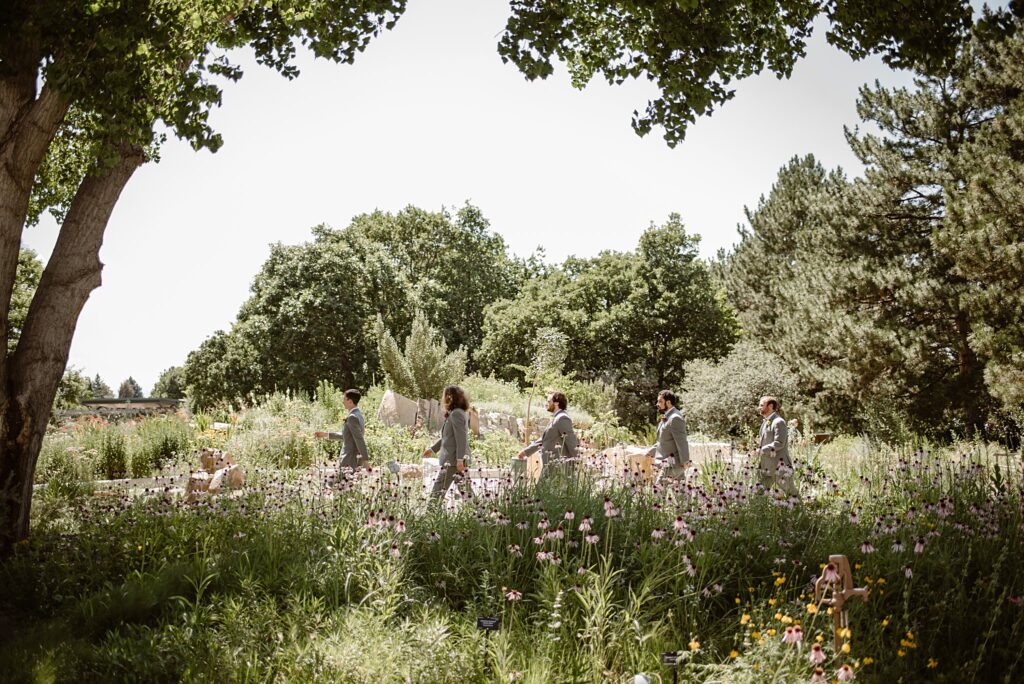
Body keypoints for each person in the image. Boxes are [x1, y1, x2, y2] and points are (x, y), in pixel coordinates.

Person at [422, 385, 474, 500]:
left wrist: (460, 459)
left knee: (438, 490)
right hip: (455, 460)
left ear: (450, 397)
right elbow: (448, 437)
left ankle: (429, 515)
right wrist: (432, 449)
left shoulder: (456, 414)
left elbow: (461, 438)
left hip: (453, 461)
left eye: (445, 396)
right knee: (466, 491)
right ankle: (480, 513)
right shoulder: (455, 413)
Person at [516, 391, 578, 479]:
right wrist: (526, 452)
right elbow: (543, 440)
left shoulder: (562, 418)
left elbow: (571, 442)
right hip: (550, 466)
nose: (546, 404)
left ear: (556, 403)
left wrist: (578, 462)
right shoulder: (556, 418)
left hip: (558, 468)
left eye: (549, 401)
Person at [314, 388, 370, 471]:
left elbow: (359, 439)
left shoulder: (352, 417)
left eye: (344, 399)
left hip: (349, 459)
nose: (343, 402)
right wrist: (326, 434)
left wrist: (366, 461)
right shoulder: (358, 414)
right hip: (353, 458)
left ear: (350, 401)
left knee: (338, 482)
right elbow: (348, 436)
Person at [755, 395, 798, 496]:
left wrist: (762, 450)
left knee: (792, 494)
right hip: (766, 467)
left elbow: (779, 443)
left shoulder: (779, 422)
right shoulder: (765, 422)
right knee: (759, 495)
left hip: (780, 467)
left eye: (761, 405)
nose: (759, 408)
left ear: (770, 406)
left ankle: (803, 511)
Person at [647, 389, 689, 481]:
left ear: (668, 402)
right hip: (669, 462)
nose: (657, 404)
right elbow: (665, 440)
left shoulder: (675, 418)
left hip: (673, 464)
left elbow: (682, 442)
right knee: (682, 493)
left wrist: (685, 461)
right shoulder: (668, 416)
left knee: (658, 490)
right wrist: (652, 451)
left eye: (660, 401)